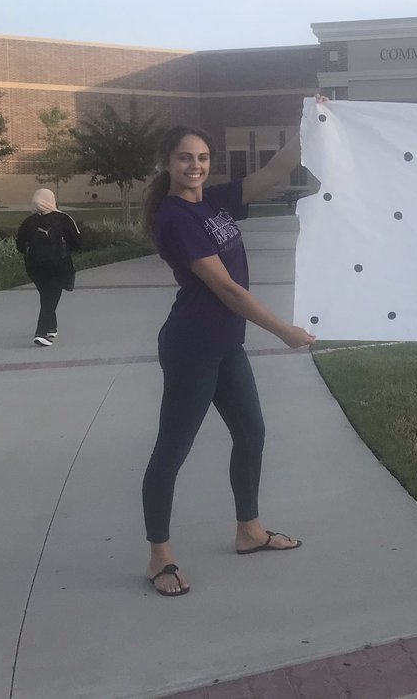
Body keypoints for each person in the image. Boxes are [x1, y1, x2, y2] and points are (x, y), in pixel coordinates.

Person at [140, 123, 317, 597]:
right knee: (173, 450)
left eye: (201, 157)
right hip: (192, 347)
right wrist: (284, 331)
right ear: (167, 163)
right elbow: (226, 289)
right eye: (184, 158)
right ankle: (161, 557)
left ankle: (249, 531)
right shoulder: (176, 218)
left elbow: (276, 172)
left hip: (224, 345)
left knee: (251, 431)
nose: (194, 166)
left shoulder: (213, 201)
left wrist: (309, 123)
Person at [15, 188, 81, 346]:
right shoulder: (63, 219)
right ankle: (41, 332)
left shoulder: (28, 221)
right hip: (59, 265)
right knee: (50, 298)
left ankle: (51, 327)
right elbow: (78, 242)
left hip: (34, 267)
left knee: (47, 295)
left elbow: (20, 245)